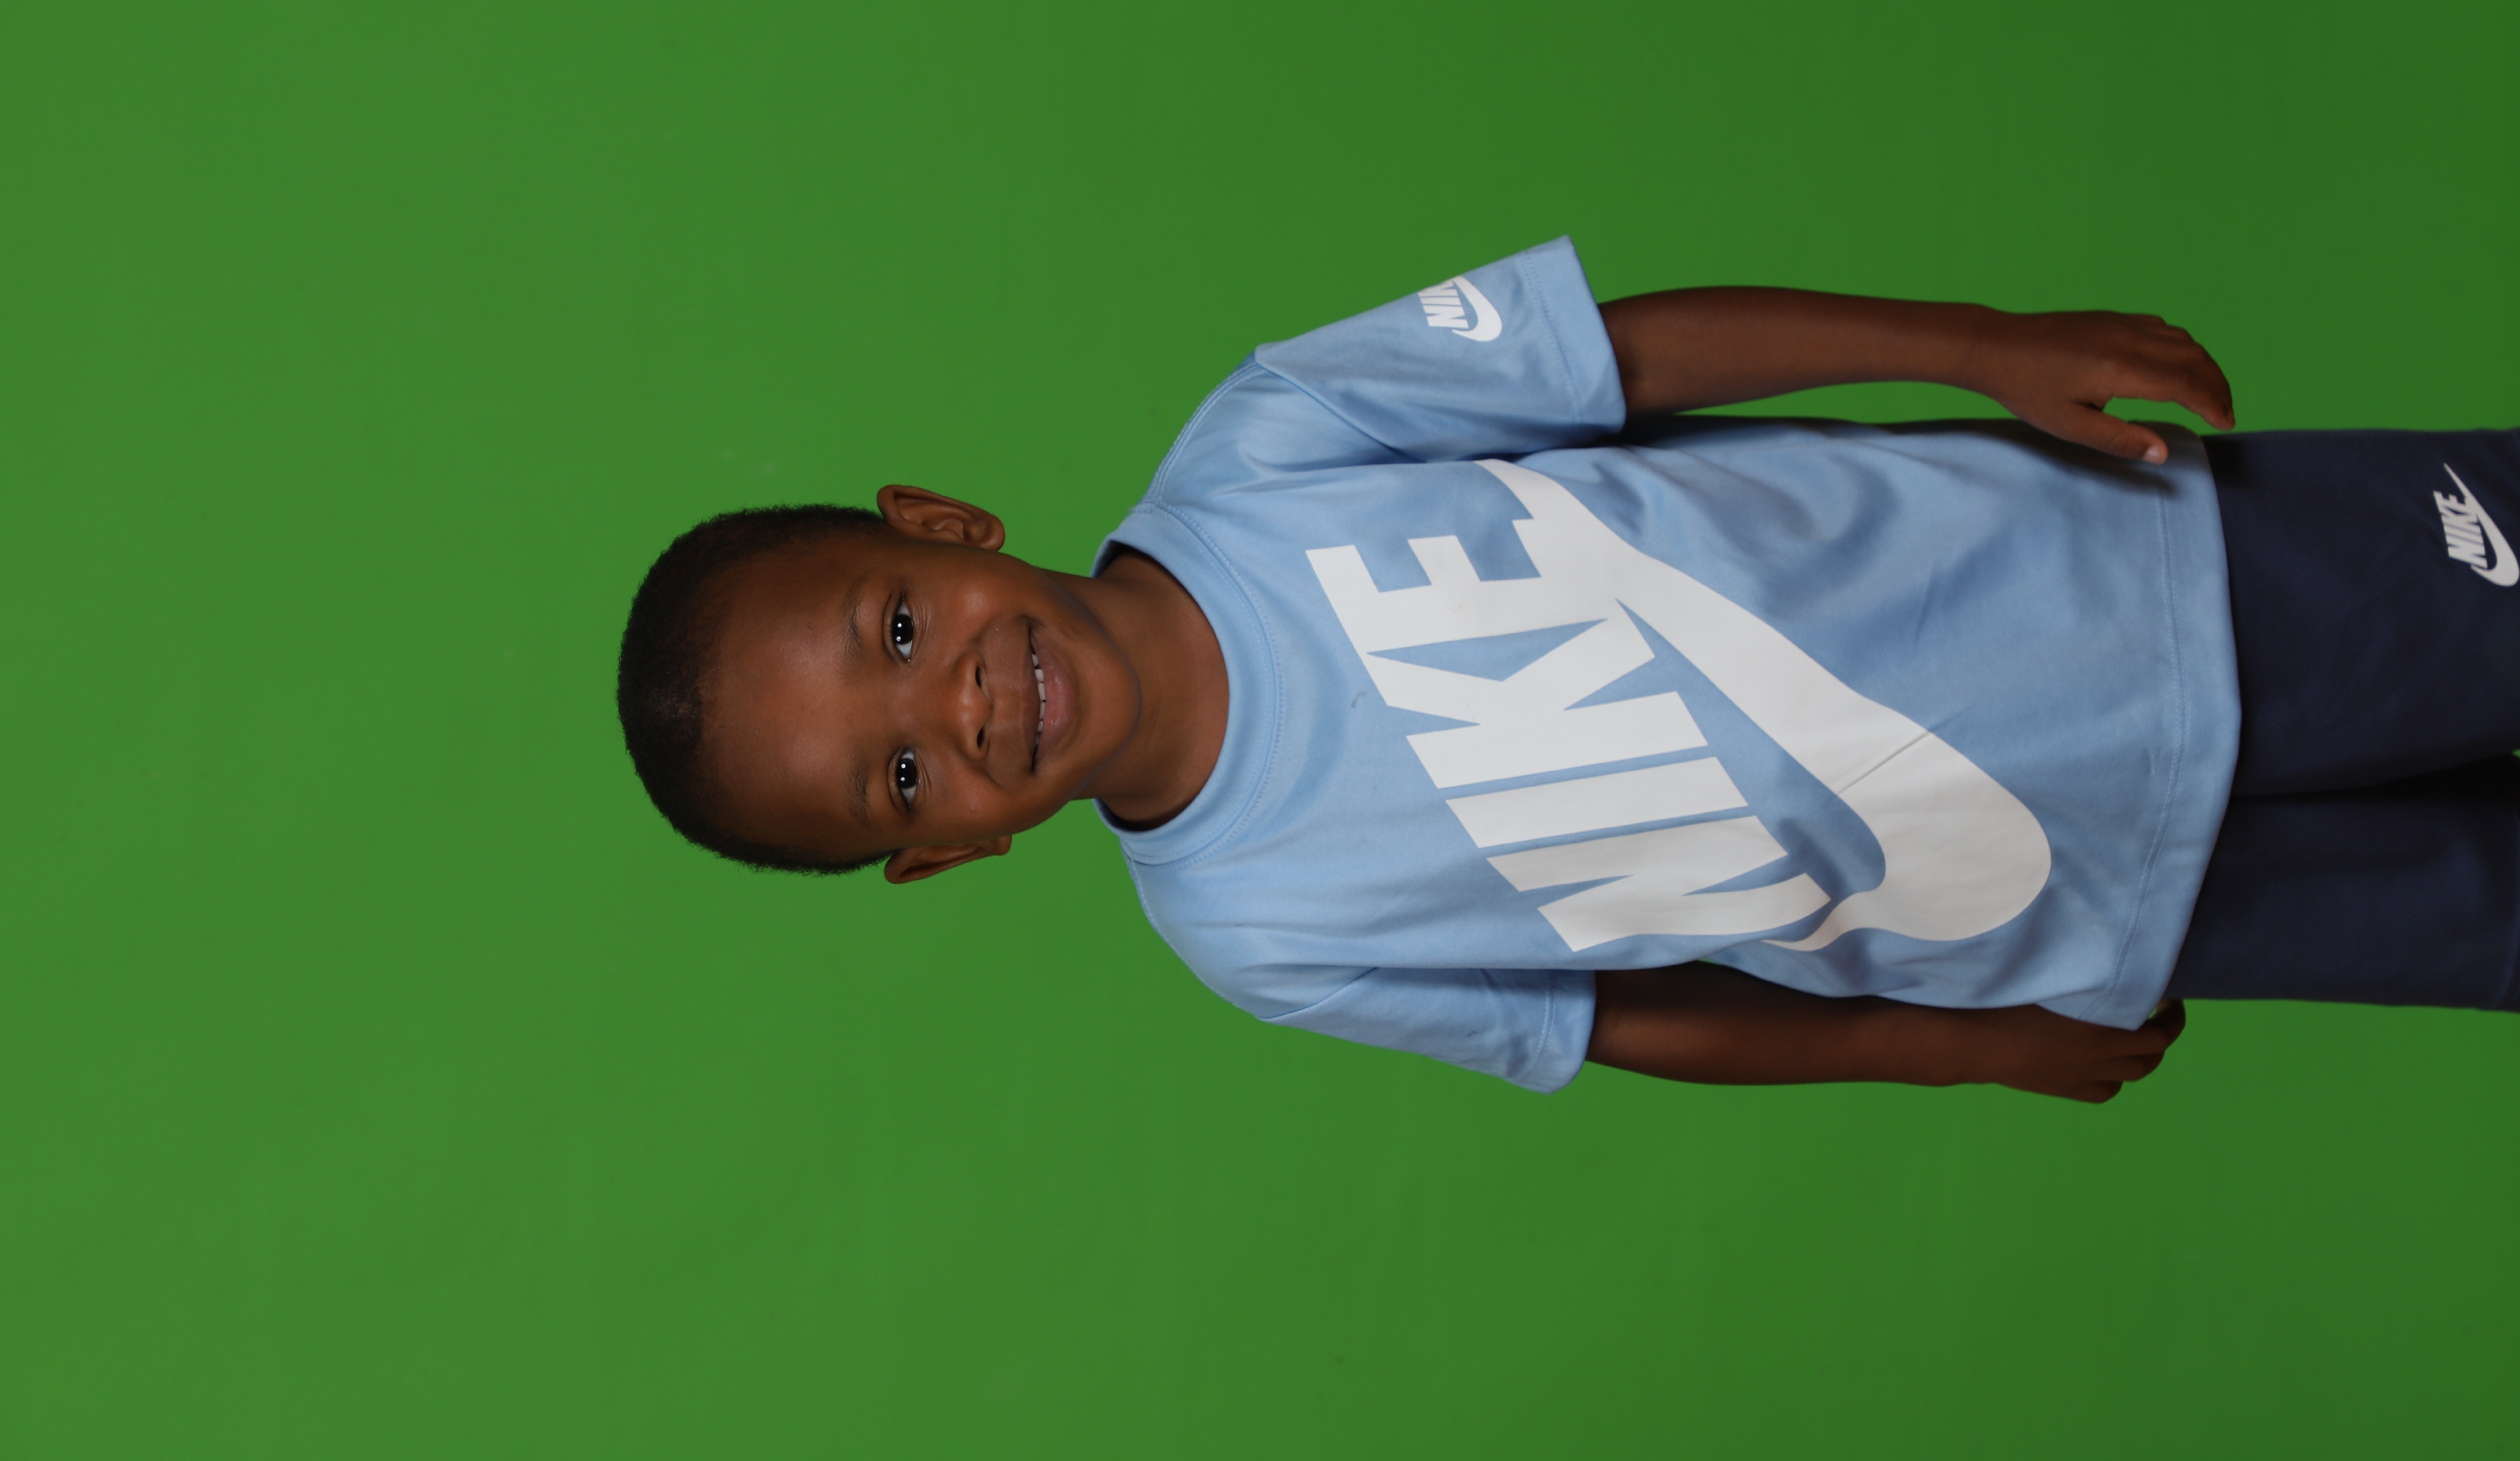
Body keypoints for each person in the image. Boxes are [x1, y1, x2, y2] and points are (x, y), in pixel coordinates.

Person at [614, 239, 2520, 1102]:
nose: (953, 706)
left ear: (941, 525)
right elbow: (1617, 1021)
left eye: (896, 633)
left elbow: (1625, 358)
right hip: (2090, 897)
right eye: (899, 776)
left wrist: (1972, 344)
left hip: (2153, 573)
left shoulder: (1267, 442)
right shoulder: (1255, 935)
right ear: (948, 852)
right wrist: (1943, 1044)